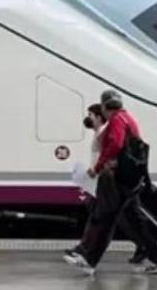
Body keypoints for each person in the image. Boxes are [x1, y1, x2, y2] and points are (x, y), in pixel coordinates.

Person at [64, 96, 157, 275]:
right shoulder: (128, 118)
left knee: (105, 218)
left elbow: (115, 145)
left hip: (119, 180)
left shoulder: (116, 120)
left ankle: (89, 261)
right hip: (131, 179)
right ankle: (155, 258)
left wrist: (98, 167)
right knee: (135, 220)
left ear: (104, 108)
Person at [66, 103, 107, 260]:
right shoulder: (99, 132)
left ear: (98, 117)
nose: (87, 118)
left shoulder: (102, 133)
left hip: (101, 181)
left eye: (90, 115)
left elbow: (106, 155)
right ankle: (83, 248)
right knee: (97, 217)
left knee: (99, 218)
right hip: (97, 181)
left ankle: (85, 251)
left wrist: (95, 169)